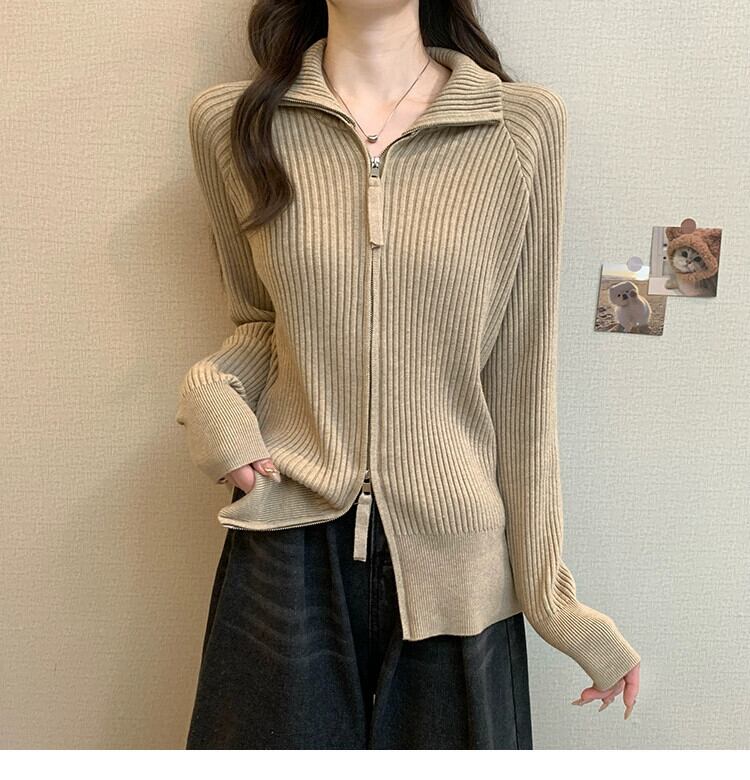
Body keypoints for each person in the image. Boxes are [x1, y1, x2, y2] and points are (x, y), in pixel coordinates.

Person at [176, 0, 641, 750]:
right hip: (286, 541)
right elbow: (260, 321)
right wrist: (210, 388)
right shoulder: (233, 124)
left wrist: (553, 602)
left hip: (457, 557)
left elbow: (522, 382)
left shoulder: (520, 127)